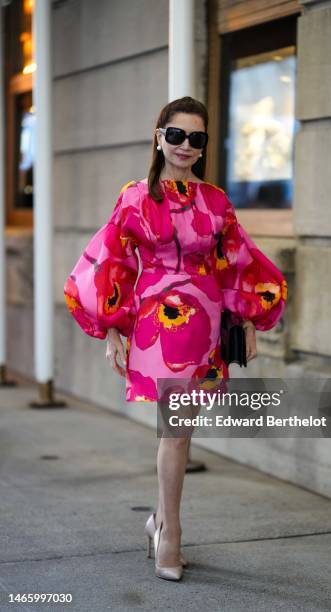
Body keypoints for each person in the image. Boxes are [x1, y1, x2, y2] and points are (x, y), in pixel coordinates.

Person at [63, 96, 287, 582]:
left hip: (205, 325)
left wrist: (248, 317)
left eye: (196, 138)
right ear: (159, 137)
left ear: (204, 146)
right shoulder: (135, 197)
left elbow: (238, 262)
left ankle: (159, 522)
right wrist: (113, 326)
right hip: (157, 323)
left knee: (179, 430)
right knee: (176, 430)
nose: (186, 145)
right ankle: (171, 534)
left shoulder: (216, 202)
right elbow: (111, 261)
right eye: (177, 135)